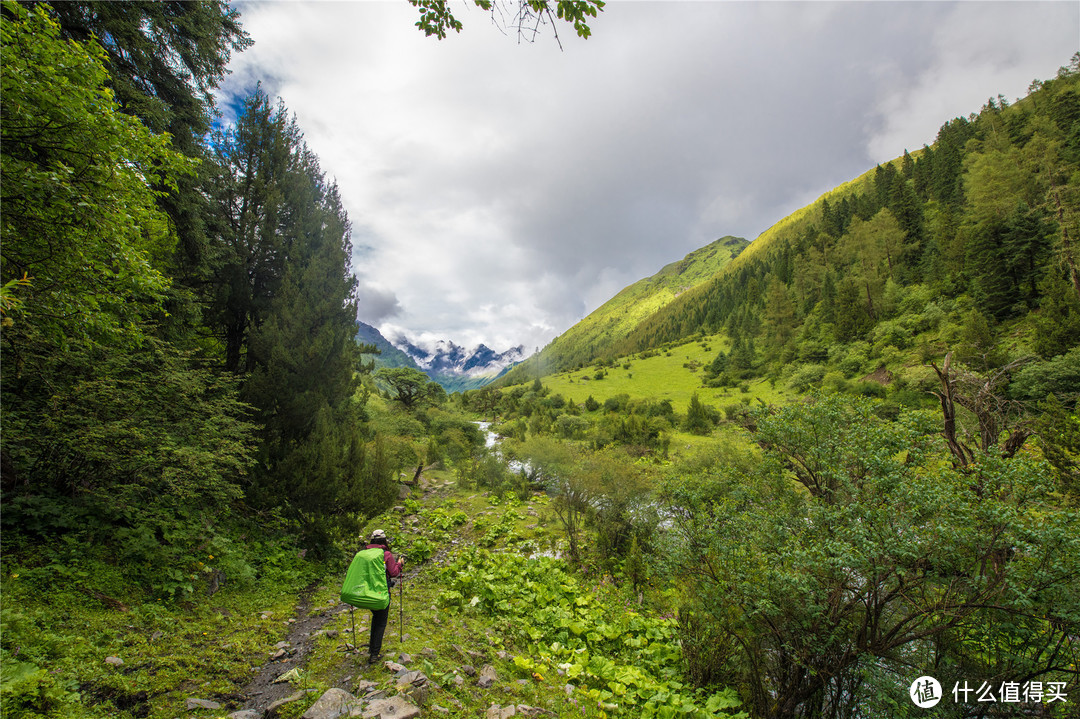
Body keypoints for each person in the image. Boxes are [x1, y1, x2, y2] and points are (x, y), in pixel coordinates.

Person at [365, 529, 404, 664]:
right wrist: (400, 564)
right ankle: (374, 654)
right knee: (381, 622)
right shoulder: (385, 554)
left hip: (367, 592)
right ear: (384, 540)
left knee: (376, 619)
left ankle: (372, 649)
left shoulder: (365, 553)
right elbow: (393, 572)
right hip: (382, 593)